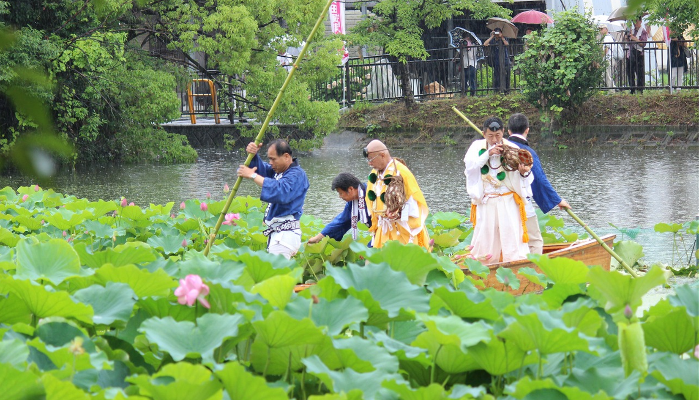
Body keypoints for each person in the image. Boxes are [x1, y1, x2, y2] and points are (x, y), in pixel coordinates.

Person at [464, 116, 532, 263]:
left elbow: (526, 176)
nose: (494, 139)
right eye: (490, 136)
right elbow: (470, 168)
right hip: (486, 200)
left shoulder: (512, 148)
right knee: (485, 237)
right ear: (484, 134)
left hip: (507, 199)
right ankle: (482, 265)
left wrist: (523, 172)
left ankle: (515, 263)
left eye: (498, 135)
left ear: (503, 133)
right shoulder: (477, 147)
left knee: (511, 235)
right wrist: (488, 154)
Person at [506, 113, 571, 254]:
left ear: (508, 131)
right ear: (527, 130)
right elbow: (539, 180)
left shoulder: (500, 150)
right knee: (534, 241)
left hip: (501, 206)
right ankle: (534, 272)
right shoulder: (526, 153)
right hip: (521, 205)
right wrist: (557, 200)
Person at [237, 140, 309, 259]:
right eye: (269, 159)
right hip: (279, 235)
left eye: (273, 159)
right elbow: (261, 170)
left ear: (286, 156)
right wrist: (253, 154)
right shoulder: (281, 172)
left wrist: (252, 175)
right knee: (279, 275)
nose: (270, 163)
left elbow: (281, 191)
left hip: (285, 237)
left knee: (277, 275)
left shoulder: (297, 174)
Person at [364, 140, 430, 249]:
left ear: (382, 155)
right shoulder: (373, 174)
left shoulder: (401, 172)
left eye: (371, 159)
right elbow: (370, 200)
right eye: (368, 160)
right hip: (383, 228)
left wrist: (397, 212)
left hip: (401, 228)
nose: (369, 163)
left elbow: (413, 203)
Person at [308, 173, 372, 243]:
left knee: (370, 251)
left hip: (383, 231)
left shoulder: (373, 194)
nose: (340, 196)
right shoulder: (353, 202)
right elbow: (341, 222)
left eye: (340, 193)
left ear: (350, 189)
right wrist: (318, 238)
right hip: (378, 234)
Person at [483, 27, 510, 93]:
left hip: (505, 60)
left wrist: (502, 37)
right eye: (496, 33)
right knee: (497, 76)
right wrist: (492, 36)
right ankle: (497, 90)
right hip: (496, 60)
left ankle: (506, 90)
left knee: (506, 75)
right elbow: (485, 44)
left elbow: (507, 44)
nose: (497, 34)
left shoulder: (504, 38)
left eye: (498, 33)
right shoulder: (493, 40)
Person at [626, 18, 648, 94]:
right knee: (630, 72)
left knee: (639, 72)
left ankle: (640, 89)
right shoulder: (631, 31)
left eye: (636, 21)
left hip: (639, 54)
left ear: (640, 21)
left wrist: (635, 39)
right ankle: (632, 89)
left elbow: (643, 44)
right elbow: (629, 43)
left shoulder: (643, 32)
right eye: (634, 21)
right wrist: (628, 39)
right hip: (630, 53)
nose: (635, 23)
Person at [599, 25, 617, 90]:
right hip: (610, 58)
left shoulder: (607, 38)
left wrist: (601, 56)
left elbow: (607, 49)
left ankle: (612, 90)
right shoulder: (610, 37)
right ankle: (613, 87)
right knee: (605, 75)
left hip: (608, 58)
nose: (600, 31)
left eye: (601, 29)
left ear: (606, 29)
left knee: (607, 75)